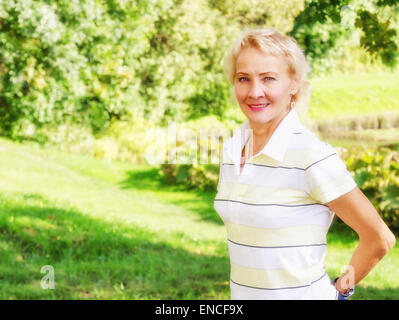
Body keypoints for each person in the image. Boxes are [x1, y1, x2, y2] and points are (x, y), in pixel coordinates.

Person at [213, 28, 396, 300]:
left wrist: (339, 292)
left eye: (269, 79)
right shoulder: (233, 146)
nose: (255, 91)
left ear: (294, 84)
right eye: (243, 78)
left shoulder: (311, 155)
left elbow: (379, 238)